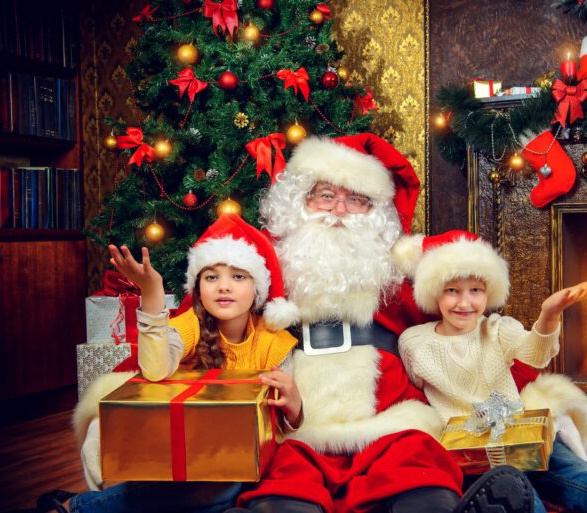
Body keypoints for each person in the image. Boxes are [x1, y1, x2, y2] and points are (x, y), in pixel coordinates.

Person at [225, 133, 536, 513]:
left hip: (387, 412)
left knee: (420, 476)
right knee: (288, 489)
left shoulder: (392, 270)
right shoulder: (259, 263)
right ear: (300, 201)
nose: (339, 210)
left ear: (376, 214)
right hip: (297, 414)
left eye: (356, 200)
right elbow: (210, 320)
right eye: (326, 195)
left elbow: (460, 299)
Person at [394, 229, 587, 513]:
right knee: (521, 496)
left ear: (489, 292)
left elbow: (535, 354)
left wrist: (549, 314)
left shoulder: (498, 328)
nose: (465, 302)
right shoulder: (414, 342)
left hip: (523, 435)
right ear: (434, 291)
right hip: (475, 456)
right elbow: (415, 394)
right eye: (452, 290)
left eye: (476, 290)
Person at [33, 214, 299, 513]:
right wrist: (152, 292)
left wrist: (295, 405)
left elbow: (286, 427)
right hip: (189, 454)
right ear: (198, 288)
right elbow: (156, 369)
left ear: (258, 289)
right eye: (212, 277)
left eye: (238, 276)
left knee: (224, 490)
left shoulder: (274, 342)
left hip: (243, 459)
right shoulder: (190, 325)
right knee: (208, 489)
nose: (224, 286)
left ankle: (78, 506)